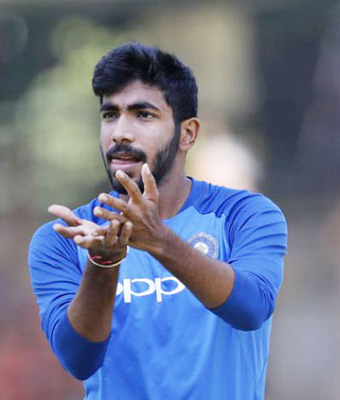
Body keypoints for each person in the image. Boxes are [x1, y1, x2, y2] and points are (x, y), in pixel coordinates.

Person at [28, 43, 287, 399]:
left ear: (188, 133)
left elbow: (252, 308)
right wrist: (103, 262)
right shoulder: (66, 237)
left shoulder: (245, 215)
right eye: (110, 115)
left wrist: (159, 240)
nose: (120, 132)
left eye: (143, 115)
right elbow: (79, 359)